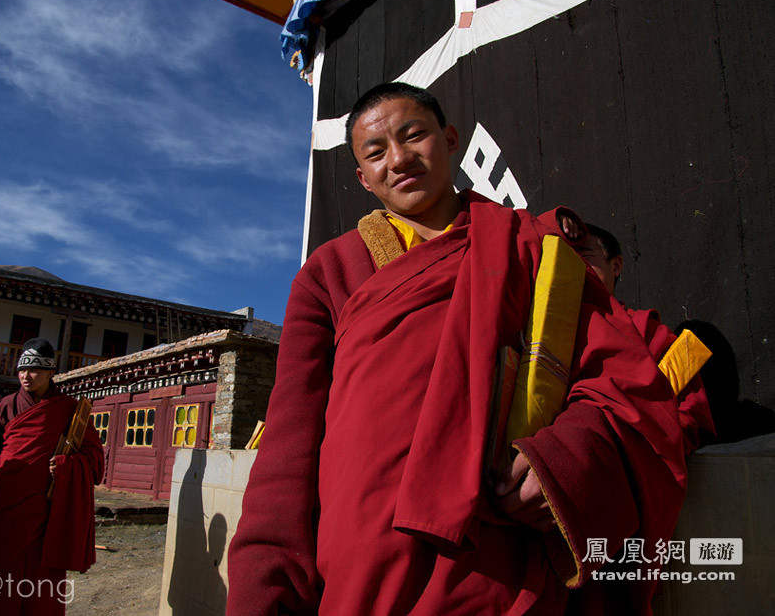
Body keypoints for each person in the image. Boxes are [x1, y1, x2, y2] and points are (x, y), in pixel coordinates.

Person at [227, 83, 691, 615]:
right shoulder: (329, 273)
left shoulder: (530, 247)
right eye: (375, 152)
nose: (398, 159)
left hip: (497, 553)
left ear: (449, 139)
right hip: (362, 560)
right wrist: (263, 590)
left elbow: (622, 380)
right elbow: (290, 443)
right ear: (361, 177)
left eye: (414, 135)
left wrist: (564, 462)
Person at [0, 338, 104, 615]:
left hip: (46, 511)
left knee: (42, 582)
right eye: (22, 370)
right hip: (5, 508)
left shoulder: (70, 410)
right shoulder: (4, 407)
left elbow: (95, 459)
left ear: (50, 373)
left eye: (34, 370)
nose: (26, 376)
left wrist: (68, 465)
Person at [566, 220, 715, 454]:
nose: (577, 266)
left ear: (616, 265)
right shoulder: (550, 338)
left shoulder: (654, 334)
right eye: (568, 257)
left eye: (585, 256)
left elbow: (690, 420)